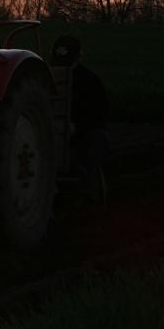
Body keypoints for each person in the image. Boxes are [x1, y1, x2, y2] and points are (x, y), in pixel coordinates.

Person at [51, 34, 109, 203]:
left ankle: (89, 194)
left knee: (96, 141)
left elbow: (100, 116)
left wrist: (77, 127)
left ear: (78, 57)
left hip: (81, 135)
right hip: (54, 133)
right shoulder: (47, 78)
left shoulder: (90, 82)